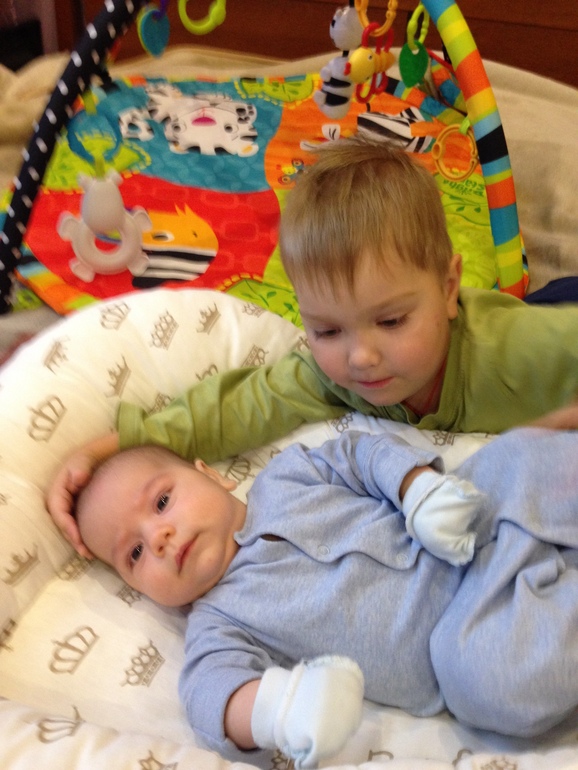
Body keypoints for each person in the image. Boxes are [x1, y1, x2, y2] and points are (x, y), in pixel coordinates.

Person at [48, 134, 578, 558]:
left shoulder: (517, 352)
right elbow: (239, 406)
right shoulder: (334, 376)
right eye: (327, 331)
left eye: (391, 320)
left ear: (447, 289)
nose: (360, 357)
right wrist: (109, 448)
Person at [74, 427, 578, 767]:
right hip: (477, 626)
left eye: (162, 501)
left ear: (210, 474)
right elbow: (209, 694)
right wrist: (279, 708)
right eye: (134, 554)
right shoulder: (220, 620)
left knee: (516, 454)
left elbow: (361, 454)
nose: (158, 537)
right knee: (495, 682)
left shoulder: (287, 476)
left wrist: (417, 489)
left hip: (465, 517)